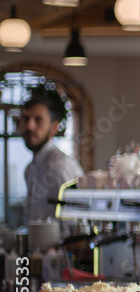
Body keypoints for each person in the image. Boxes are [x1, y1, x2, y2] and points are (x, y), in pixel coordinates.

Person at [20, 89, 84, 222]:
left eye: (38, 120)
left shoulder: (60, 166)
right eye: (26, 119)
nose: (30, 126)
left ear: (54, 127)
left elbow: (77, 217)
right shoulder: (30, 169)